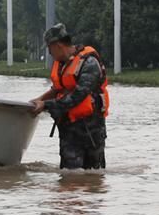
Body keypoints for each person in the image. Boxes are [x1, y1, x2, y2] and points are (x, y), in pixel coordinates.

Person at [30, 23, 110, 170]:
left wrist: (46, 105)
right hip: (68, 129)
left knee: (93, 177)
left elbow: (77, 96)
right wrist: (38, 100)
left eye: (49, 48)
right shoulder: (61, 64)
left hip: (91, 131)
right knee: (68, 177)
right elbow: (57, 89)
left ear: (58, 45)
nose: (49, 52)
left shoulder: (89, 63)